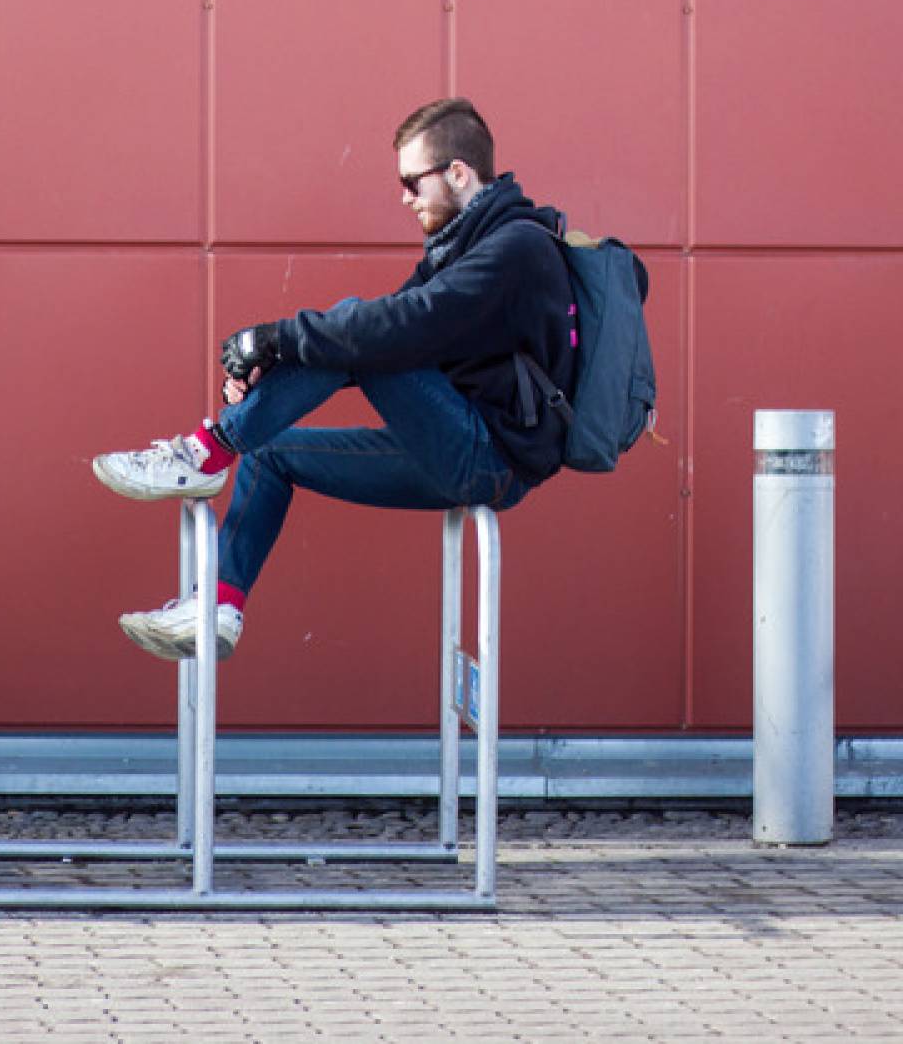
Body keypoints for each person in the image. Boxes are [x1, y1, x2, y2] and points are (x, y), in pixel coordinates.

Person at [91, 98, 575, 660]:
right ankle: (219, 601)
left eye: (412, 183)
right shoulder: (462, 249)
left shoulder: (515, 249)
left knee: (356, 325)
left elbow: (388, 330)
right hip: (451, 447)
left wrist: (275, 337)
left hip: (490, 459)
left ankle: (206, 452)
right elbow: (374, 341)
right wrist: (273, 364)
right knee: (271, 452)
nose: (404, 198)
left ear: (459, 174)